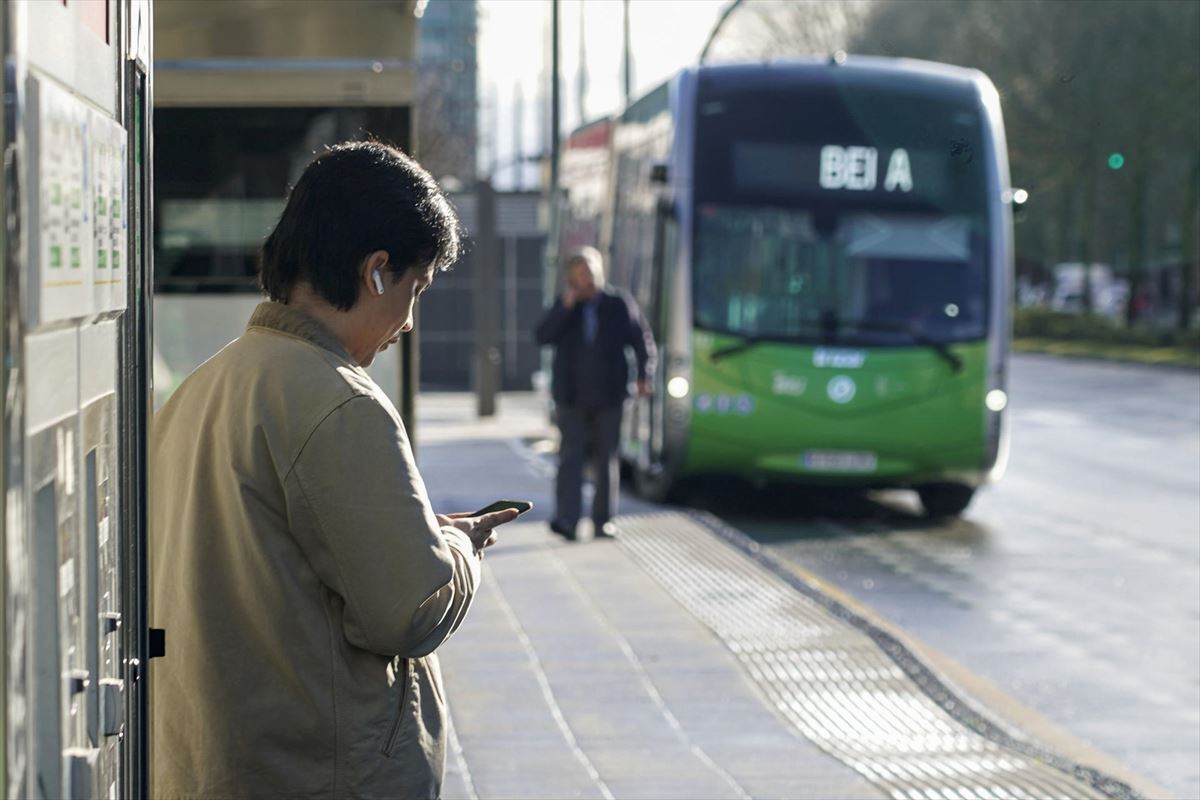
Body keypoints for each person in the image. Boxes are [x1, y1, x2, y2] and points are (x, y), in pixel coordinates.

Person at [150, 141, 517, 799]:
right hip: (315, 772)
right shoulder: (339, 402)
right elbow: (413, 609)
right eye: (416, 288)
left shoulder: (202, 388)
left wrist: (410, 534)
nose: (407, 321)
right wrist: (460, 547)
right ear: (377, 270)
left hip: (207, 765)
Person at [534, 247, 656, 541]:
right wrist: (565, 307)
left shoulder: (617, 304)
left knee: (606, 461)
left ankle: (603, 521)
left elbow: (642, 341)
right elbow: (541, 336)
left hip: (610, 396)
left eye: (588, 273)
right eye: (577, 276)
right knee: (570, 461)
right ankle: (567, 520)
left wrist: (644, 375)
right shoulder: (566, 306)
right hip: (571, 397)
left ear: (599, 274)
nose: (584, 281)